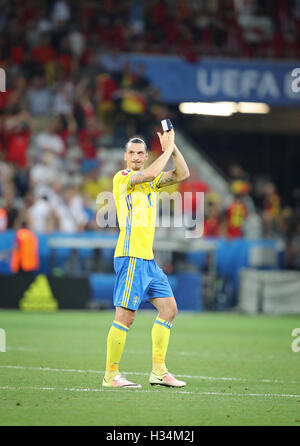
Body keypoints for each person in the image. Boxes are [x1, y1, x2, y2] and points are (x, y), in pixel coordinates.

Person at [103, 127, 190, 389]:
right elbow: (151, 172)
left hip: (148, 261)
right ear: (126, 156)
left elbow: (183, 173)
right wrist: (165, 150)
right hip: (130, 256)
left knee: (169, 309)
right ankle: (111, 375)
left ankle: (159, 372)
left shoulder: (150, 182)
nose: (137, 156)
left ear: (145, 154)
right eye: (132, 152)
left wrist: (173, 147)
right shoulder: (123, 178)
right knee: (126, 317)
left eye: (141, 153)